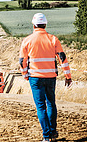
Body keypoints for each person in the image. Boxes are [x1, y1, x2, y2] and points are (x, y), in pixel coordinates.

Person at [19, 13, 72, 142]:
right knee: (51, 104)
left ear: (33, 25)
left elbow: (22, 61)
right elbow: (62, 58)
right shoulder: (53, 39)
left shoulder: (27, 40)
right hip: (50, 77)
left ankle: (46, 136)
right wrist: (68, 75)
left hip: (35, 78)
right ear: (45, 24)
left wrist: (25, 75)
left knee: (41, 107)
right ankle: (53, 132)